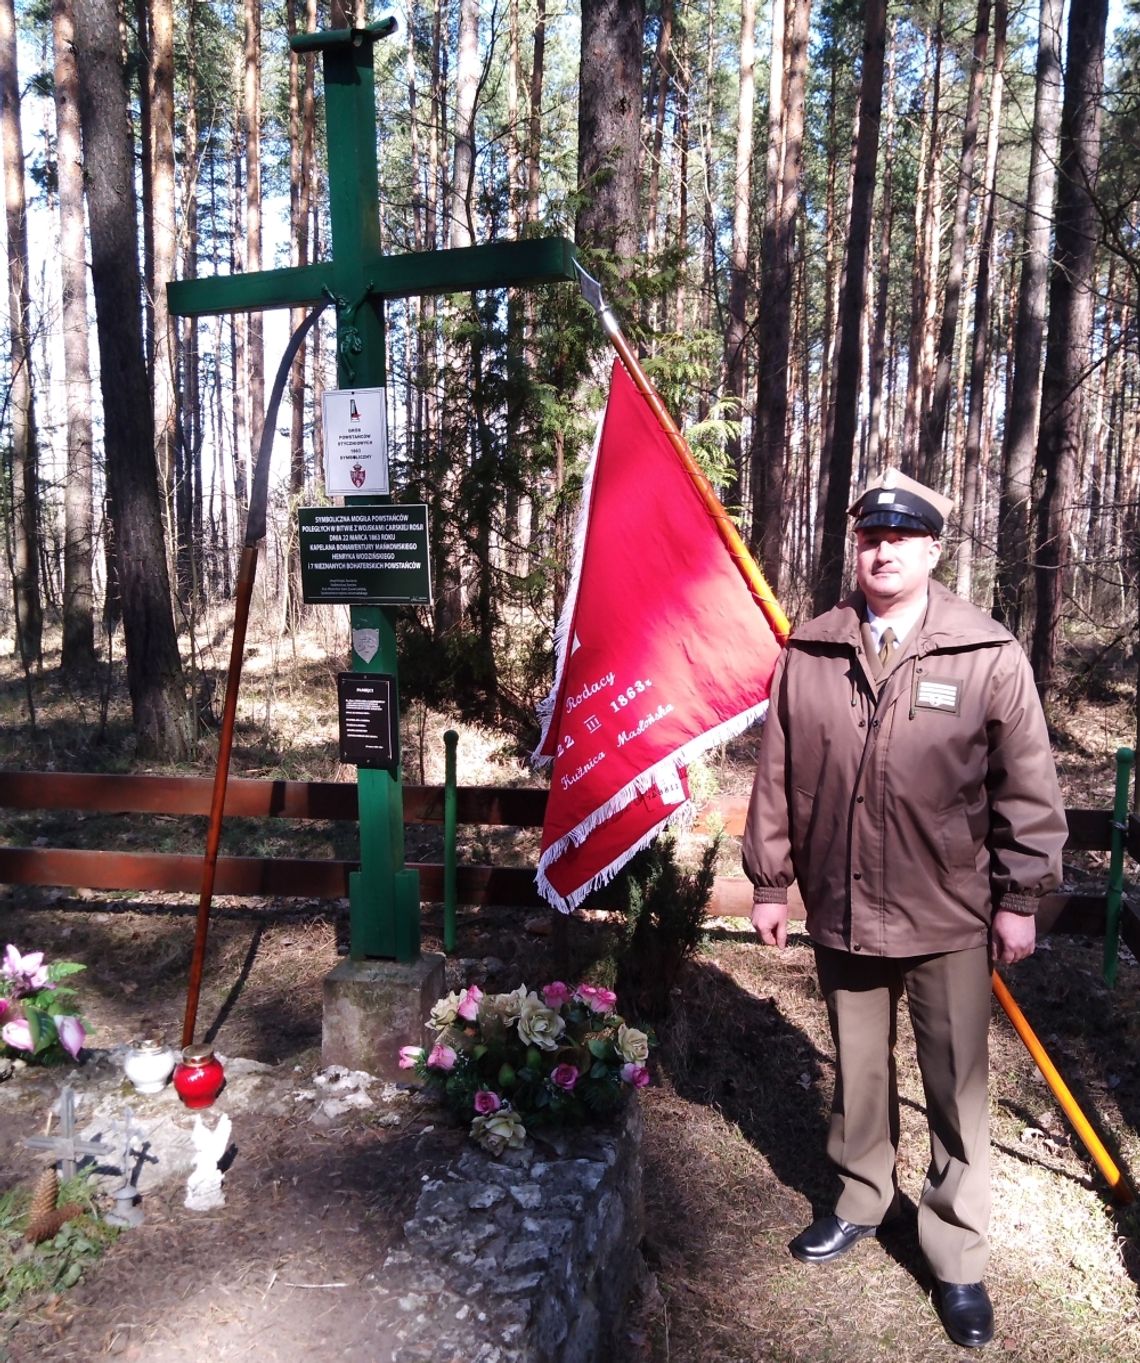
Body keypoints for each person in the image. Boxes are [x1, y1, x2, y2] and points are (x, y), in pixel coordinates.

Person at [742, 468, 1067, 1349]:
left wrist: (1021, 897)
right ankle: (860, 1197)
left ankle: (956, 1253)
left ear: (932, 549)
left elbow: (1027, 786)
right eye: (869, 537)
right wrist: (771, 882)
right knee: (857, 1069)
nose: (882, 550)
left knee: (955, 1082)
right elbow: (777, 776)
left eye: (901, 537)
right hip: (843, 900)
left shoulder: (985, 651)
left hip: (949, 906)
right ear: (857, 547)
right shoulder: (812, 649)